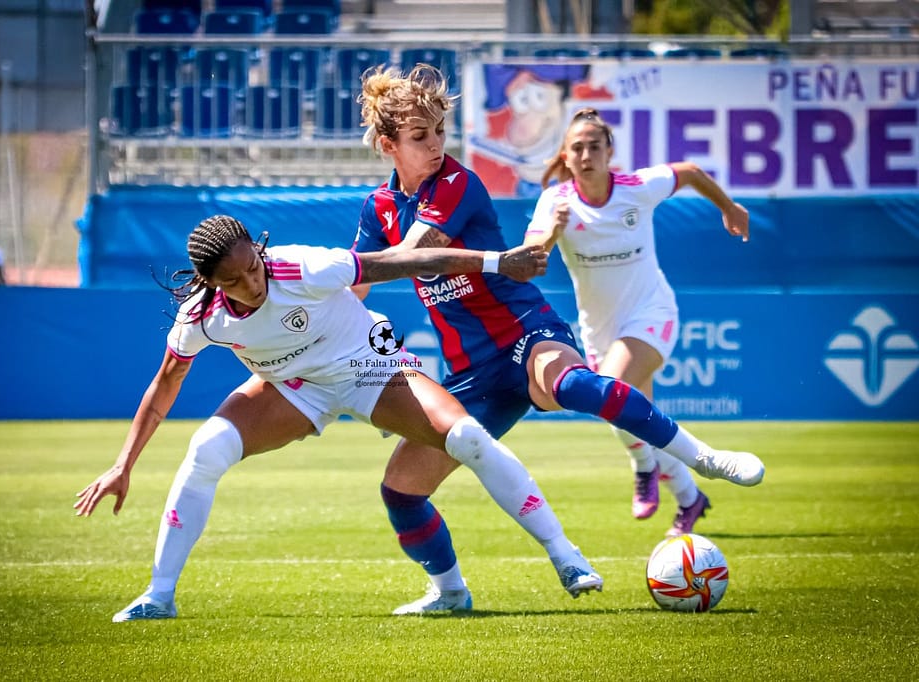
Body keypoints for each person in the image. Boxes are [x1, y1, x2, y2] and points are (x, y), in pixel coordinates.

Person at [74, 214, 604, 622]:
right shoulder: (201, 318)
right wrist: (124, 465)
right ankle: (159, 596)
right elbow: (164, 385)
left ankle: (566, 556)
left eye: (253, 268)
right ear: (211, 284)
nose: (252, 285)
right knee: (206, 449)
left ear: (260, 253)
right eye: (233, 282)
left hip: (369, 366)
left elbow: (400, 262)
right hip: (292, 388)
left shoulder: (303, 267)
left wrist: (497, 262)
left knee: (465, 436)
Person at [350, 63, 763, 572]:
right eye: (420, 136)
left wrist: (316, 270)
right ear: (389, 144)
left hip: (524, 332)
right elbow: (357, 286)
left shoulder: (457, 182)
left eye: (439, 131)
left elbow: (418, 255)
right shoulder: (379, 207)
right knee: (401, 490)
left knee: (574, 385)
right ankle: (449, 591)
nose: (436, 145)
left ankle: (704, 459)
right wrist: (294, 297)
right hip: (471, 375)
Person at [525, 107, 752, 535]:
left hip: (652, 314)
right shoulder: (555, 202)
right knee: (631, 414)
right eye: (578, 147)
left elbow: (690, 172)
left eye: (596, 145)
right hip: (599, 330)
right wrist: (553, 232)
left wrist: (729, 206)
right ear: (566, 157)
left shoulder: (637, 188)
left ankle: (643, 465)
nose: (587, 153)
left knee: (613, 392)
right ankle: (689, 498)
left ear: (610, 151)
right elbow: (532, 256)